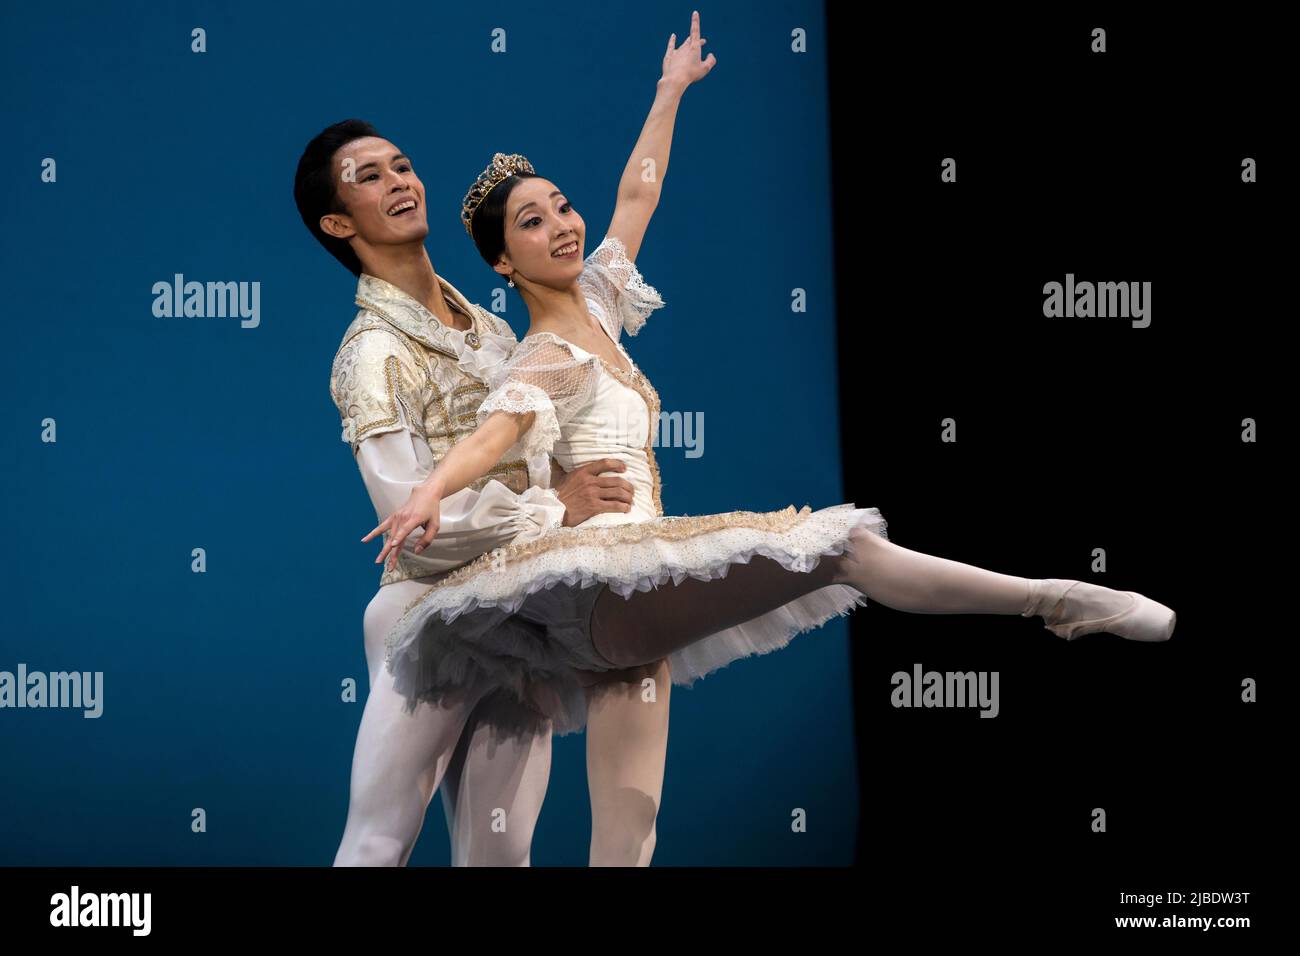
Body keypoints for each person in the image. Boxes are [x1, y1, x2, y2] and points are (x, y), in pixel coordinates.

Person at [369, 14, 1176, 822]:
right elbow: (494, 433)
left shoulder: (603, 309)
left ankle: (1058, 601)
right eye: (532, 222)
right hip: (606, 584)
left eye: (561, 205)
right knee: (846, 547)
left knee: (630, 829)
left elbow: (637, 191)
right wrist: (429, 490)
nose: (563, 224)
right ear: (504, 262)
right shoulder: (541, 353)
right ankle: (1055, 599)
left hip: (629, 601)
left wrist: (670, 88)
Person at [296, 118, 659, 866]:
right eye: (370, 176)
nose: (399, 181)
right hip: (429, 615)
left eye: (402, 165)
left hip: (519, 611)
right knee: (378, 840)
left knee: (501, 853)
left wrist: (562, 486)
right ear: (338, 223)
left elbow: (526, 445)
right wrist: (560, 504)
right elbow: (413, 519)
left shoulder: (492, 329)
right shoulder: (372, 353)